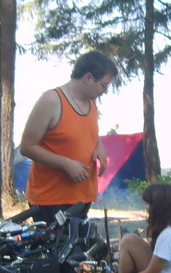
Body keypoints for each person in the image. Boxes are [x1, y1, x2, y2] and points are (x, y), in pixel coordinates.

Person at [20, 50, 118, 222]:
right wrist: (66, 163)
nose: (105, 91)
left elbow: (87, 131)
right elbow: (27, 147)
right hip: (51, 199)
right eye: (104, 85)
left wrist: (99, 146)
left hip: (82, 197)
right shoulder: (52, 100)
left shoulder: (91, 102)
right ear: (88, 78)